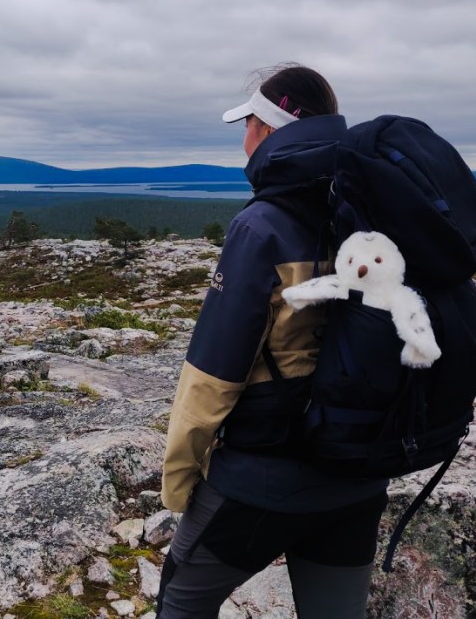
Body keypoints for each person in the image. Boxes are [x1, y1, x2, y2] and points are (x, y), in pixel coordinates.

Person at [156, 64, 389, 619]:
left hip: (264, 480)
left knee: (180, 603)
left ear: (270, 130)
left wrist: (180, 478)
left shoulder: (262, 227)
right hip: (360, 472)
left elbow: (213, 374)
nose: (244, 140)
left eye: (250, 125)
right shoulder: (370, 211)